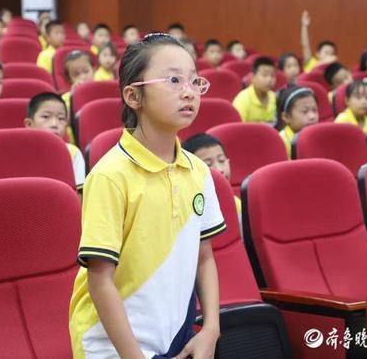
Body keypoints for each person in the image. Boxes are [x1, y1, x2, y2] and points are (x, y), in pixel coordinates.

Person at [69, 33, 223, 358]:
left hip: (175, 335)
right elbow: (100, 280)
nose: (189, 91)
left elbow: (204, 257)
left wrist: (211, 329)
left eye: (194, 81)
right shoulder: (110, 176)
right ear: (134, 96)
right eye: (173, 80)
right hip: (112, 347)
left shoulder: (198, 171)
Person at [24, 92, 85, 189]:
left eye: (61, 118)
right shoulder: (21, 152)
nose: (54, 124)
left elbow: (77, 193)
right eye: (46, 117)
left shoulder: (72, 152)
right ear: (29, 124)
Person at [183, 133, 243, 226]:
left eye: (221, 160)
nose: (219, 170)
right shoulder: (185, 209)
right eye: (208, 164)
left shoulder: (234, 202)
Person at [276, 86, 319, 158]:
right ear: (286, 117)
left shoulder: (319, 135)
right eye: (305, 111)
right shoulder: (281, 142)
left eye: (314, 110)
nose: (312, 117)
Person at [232, 56, 277, 124]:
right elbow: (237, 126)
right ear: (253, 77)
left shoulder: (275, 97)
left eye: (272, 76)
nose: (269, 79)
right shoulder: (243, 98)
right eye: (264, 75)